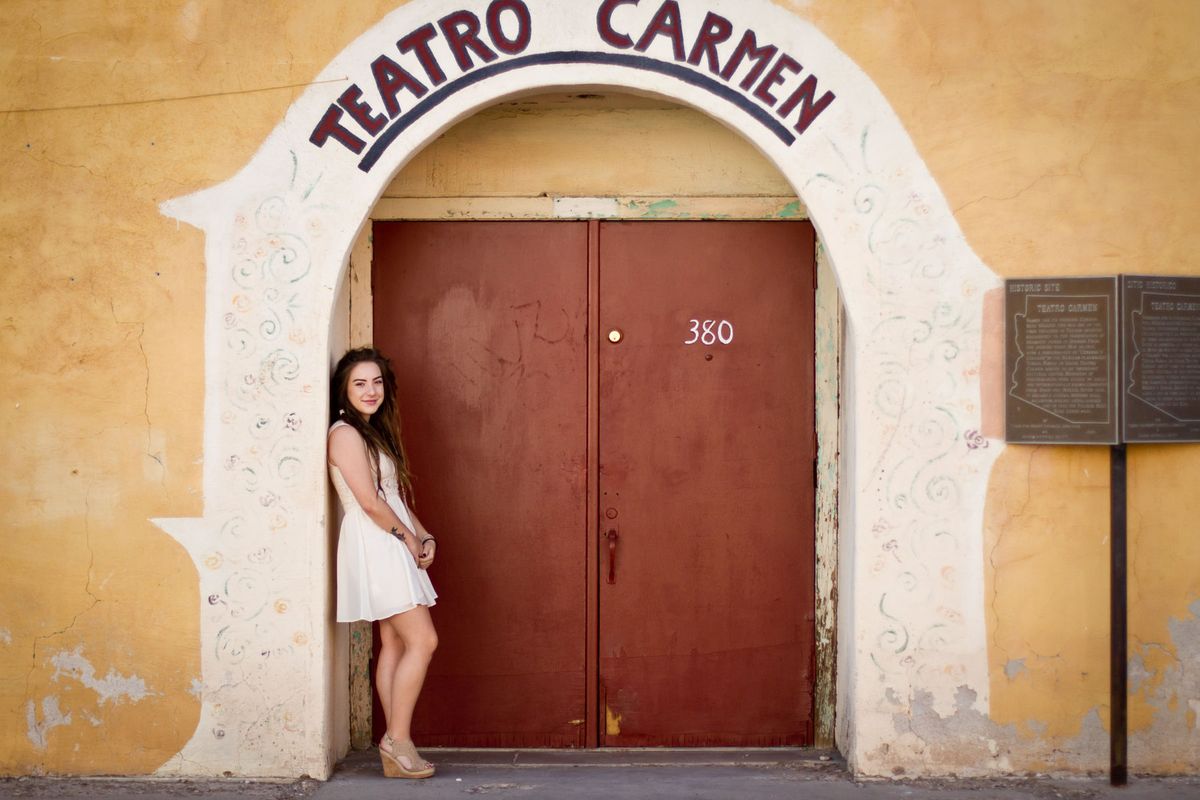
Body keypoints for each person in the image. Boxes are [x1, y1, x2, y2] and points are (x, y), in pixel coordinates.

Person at [328, 347, 439, 779]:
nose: (370, 390)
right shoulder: (344, 434)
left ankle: (396, 744)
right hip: (376, 546)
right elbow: (371, 504)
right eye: (360, 383)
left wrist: (423, 534)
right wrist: (408, 540)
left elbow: (393, 498)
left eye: (377, 382)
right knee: (423, 641)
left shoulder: (372, 432)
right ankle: (397, 740)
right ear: (345, 390)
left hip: (390, 542)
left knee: (394, 644)